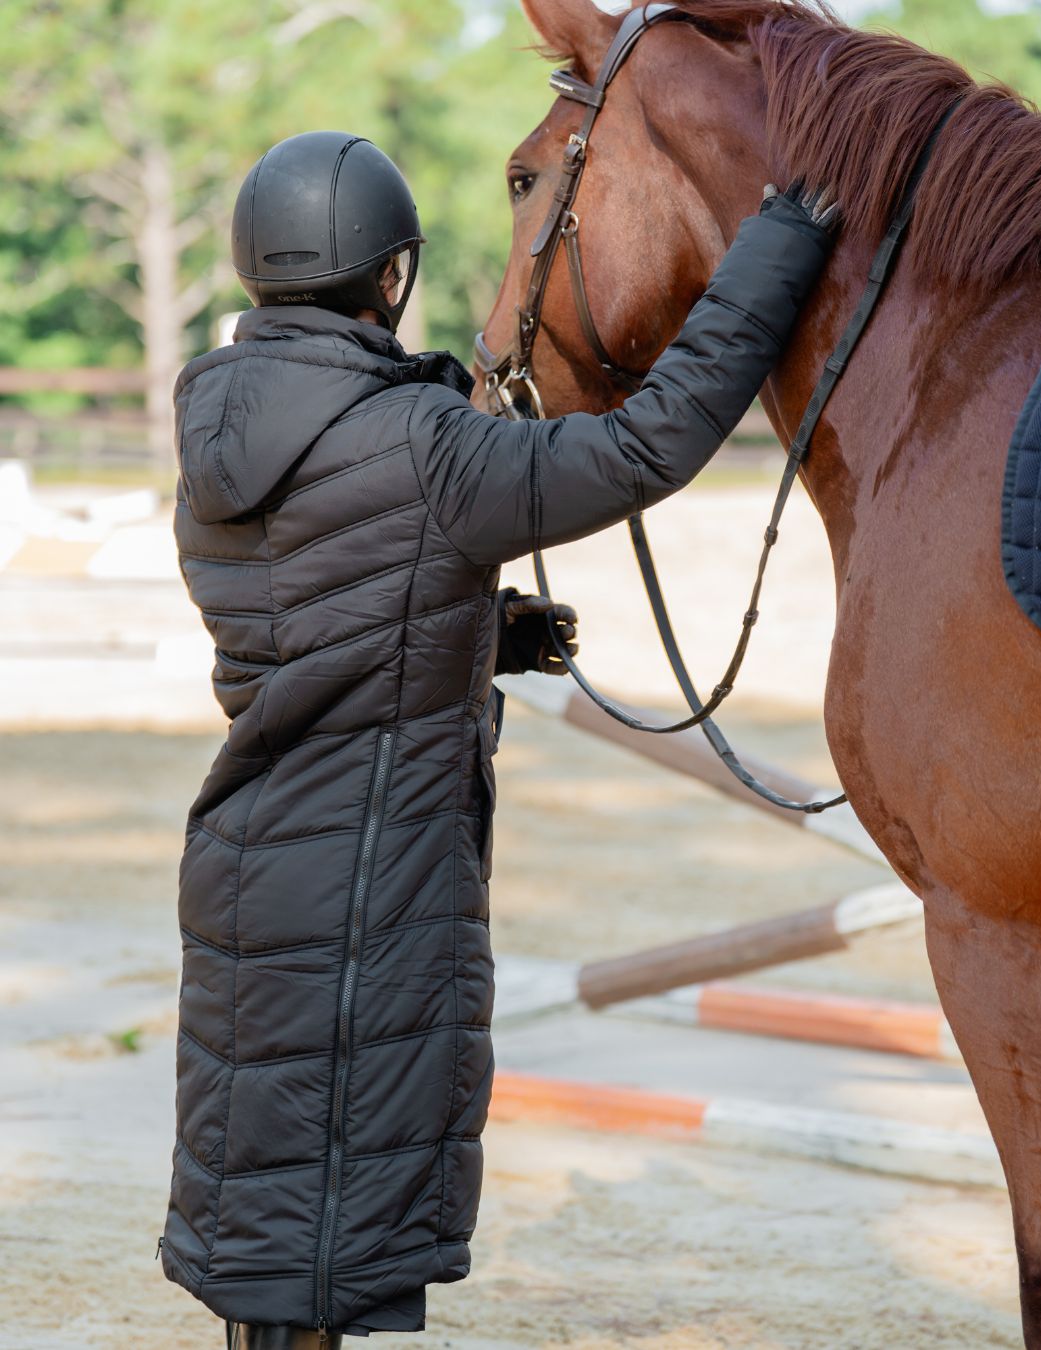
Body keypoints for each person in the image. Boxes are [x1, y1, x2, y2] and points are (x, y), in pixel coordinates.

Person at [159, 130, 838, 1348]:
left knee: (274, 1204)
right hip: (374, 880)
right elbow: (647, 446)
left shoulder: (215, 428)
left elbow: (311, 613)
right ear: (392, 277)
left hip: (256, 856)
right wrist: (780, 240)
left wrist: (481, 631)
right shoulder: (429, 448)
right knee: (321, 1234)